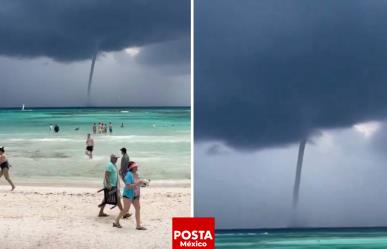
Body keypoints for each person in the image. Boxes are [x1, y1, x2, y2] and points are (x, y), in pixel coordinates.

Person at [113, 161, 146, 230]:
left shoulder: (136, 174)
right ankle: (116, 221)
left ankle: (138, 225)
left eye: (137, 166)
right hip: (128, 195)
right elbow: (128, 186)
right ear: (132, 167)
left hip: (135, 195)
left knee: (138, 208)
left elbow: (137, 183)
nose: (137, 167)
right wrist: (138, 183)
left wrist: (143, 184)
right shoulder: (129, 175)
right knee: (125, 210)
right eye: (135, 166)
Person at [98, 154, 130, 218]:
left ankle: (101, 212)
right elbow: (106, 175)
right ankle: (124, 213)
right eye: (115, 158)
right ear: (112, 158)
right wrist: (109, 184)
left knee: (107, 198)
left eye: (117, 158)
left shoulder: (114, 165)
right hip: (111, 186)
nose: (116, 159)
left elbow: (114, 174)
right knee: (117, 199)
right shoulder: (109, 165)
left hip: (114, 185)